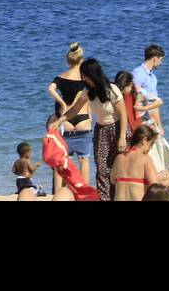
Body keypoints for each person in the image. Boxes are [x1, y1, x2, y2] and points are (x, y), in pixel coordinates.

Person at [46, 42, 93, 190]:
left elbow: (50, 88)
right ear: (81, 60)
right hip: (83, 119)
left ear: (68, 61)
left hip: (65, 121)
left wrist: (61, 102)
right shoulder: (86, 78)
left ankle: (60, 192)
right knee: (83, 160)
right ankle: (83, 191)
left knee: (63, 160)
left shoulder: (61, 77)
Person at [81, 57, 126, 201]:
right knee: (101, 169)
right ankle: (104, 199)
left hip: (118, 128)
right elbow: (75, 108)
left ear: (92, 74)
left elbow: (123, 114)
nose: (82, 78)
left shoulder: (111, 89)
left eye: (84, 75)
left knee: (118, 168)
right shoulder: (88, 91)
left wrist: (122, 137)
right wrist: (61, 119)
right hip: (101, 130)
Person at [110, 124, 169, 202]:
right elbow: (156, 187)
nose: (151, 147)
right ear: (144, 140)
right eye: (151, 144)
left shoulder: (119, 158)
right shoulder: (145, 159)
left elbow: (112, 180)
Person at [131, 44, 165, 134]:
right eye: (161, 59)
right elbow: (135, 98)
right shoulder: (138, 73)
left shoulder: (153, 77)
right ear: (155, 59)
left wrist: (159, 126)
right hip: (140, 121)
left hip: (150, 121)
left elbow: (154, 105)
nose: (161, 63)